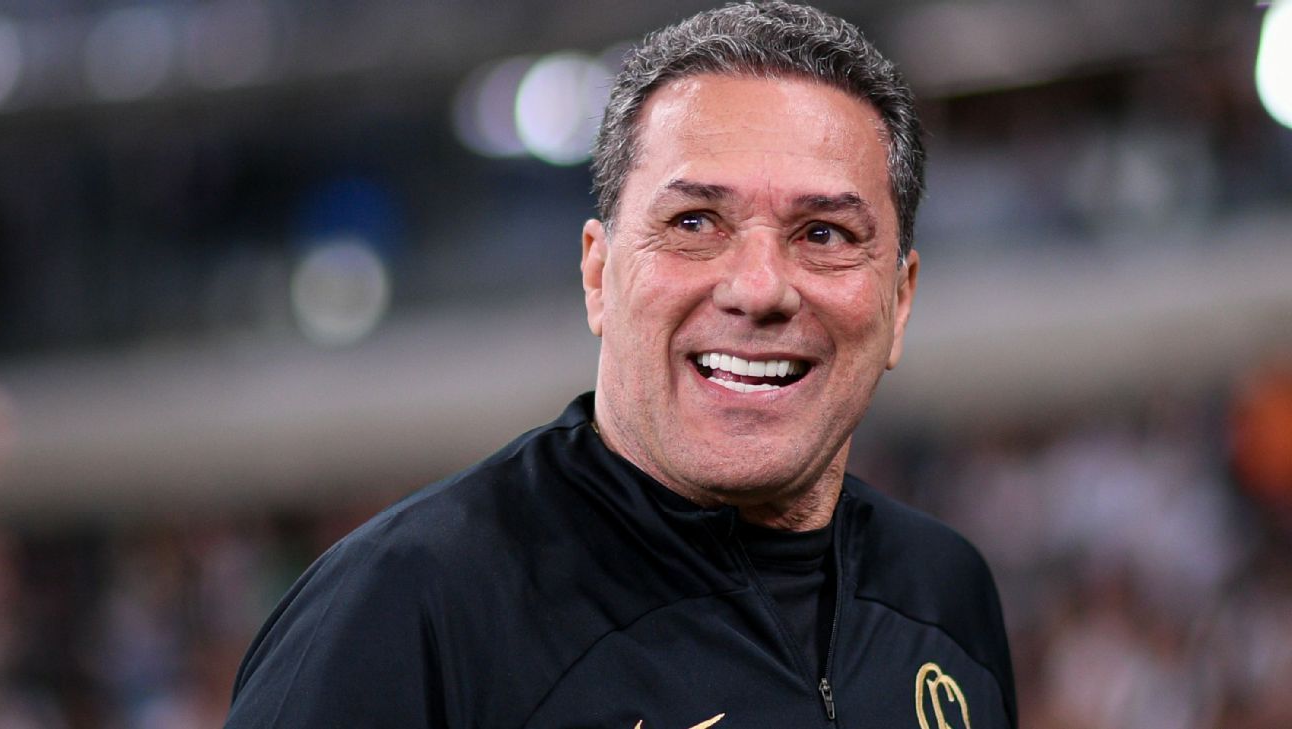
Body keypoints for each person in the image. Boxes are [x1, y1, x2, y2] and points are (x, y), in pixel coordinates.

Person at [225, 3, 1017, 727]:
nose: (759, 289)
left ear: (899, 300)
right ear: (599, 274)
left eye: (823, 234)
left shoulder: (945, 593)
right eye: (695, 222)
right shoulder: (407, 612)